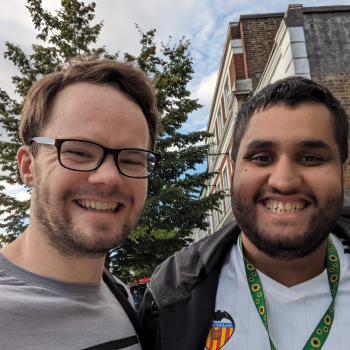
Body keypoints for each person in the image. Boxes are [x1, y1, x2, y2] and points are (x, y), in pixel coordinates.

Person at [140, 76, 350, 350]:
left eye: (311, 158)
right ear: (233, 170)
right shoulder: (170, 295)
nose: (283, 181)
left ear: (343, 173)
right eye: (262, 157)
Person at [0, 60, 161, 350]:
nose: (110, 177)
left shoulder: (121, 297)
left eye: (131, 159)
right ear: (28, 167)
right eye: (78, 152)